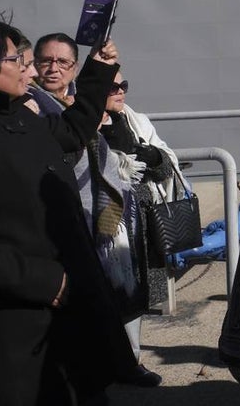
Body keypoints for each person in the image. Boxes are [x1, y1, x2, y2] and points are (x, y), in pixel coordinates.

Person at [0, 20, 136, 405]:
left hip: (67, 323)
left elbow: (74, 131)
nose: (30, 69)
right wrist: (45, 282)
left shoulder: (19, 115)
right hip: (13, 325)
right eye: (17, 60)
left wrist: (98, 68)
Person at [29, 33, 163, 388]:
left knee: (123, 292)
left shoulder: (89, 105)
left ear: (75, 69)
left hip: (108, 216)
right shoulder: (33, 106)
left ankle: (126, 360)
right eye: (45, 61)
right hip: (69, 219)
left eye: (63, 62)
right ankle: (98, 369)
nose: (53, 68)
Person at [98, 68, 184, 382]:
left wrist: (155, 157)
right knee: (110, 285)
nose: (120, 91)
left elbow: (167, 161)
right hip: (108, 216)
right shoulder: (83, 123)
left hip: (142, 221)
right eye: (112, 86)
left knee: (136, 290)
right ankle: (114, 361)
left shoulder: (135, 121)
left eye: (124, 84)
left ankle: (130, 359)